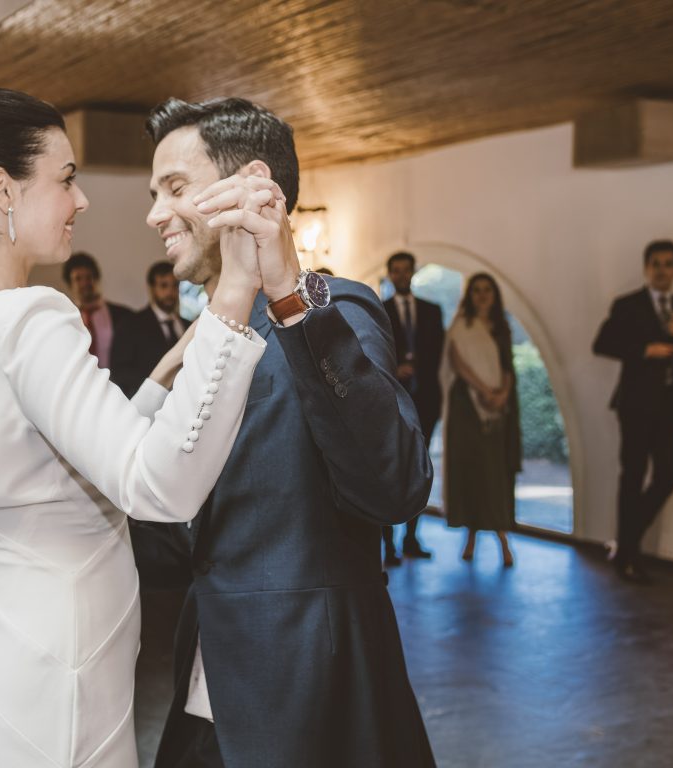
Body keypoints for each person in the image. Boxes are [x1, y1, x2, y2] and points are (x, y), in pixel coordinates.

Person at [0, 87, 271, 768]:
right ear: (1, 191)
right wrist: (233, 295)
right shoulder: (26, 317)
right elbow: (157, 487)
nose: (81, 200)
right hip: (50, 686)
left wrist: (168, 368)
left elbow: (59, 471)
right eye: (67, 178)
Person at [139, 97, 435, 768]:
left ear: (250, 184)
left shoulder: (336, 307)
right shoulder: (206, 335)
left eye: (174, 189)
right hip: (211, 678)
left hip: (306, 691)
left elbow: (397, 487)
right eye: (154, 193)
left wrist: (293, 301)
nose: (155, 213)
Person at [593, 240, 673, 583]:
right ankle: (628, 554)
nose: (662, 270)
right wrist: (643, 349)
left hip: (670, 407)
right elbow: (602, 344)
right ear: (646, 267)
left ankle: (624, 544)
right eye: (656, 263)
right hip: (635, 405)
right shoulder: (628, 305)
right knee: (633, 476)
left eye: (668, 264)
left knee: (667, 477)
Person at [441, 273, 521, 566]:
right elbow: (457, 363)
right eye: (477, 290)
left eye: (487, 290)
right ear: (469, 296)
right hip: (468, 407)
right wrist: (485, 389)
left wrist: (502, 395)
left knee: (495, 474)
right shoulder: (462, 327)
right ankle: (471, 537)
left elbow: (508, 367)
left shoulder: (502, 328)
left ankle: (503, 539)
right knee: (472, 472)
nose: (482, 295)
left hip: (498, 408)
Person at [381, 251, 444, 564]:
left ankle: (412, 537)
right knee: (390, 467)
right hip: (393, 399)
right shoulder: (380, 309)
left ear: (413, 273)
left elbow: (438, 353)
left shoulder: (432, 311)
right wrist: (395, 370)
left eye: (406, 270)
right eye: (396, 270)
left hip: (427, 399)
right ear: (390, 274)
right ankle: (388, 543)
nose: (402, 275)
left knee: (421, 467)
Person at [111, 260, 191, 398]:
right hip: (149, 404)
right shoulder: (130, 325)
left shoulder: (188, 326)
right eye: (163, 285)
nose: (170, 292)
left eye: (174, 285)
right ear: (152, 288)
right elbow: (120, 371)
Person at [62, 251, 133, 374]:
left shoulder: (124, 316)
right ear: (70, 284)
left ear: (96, 280)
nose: (85, 283)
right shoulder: (64, 318)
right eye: (78, 278)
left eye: (89, 277)